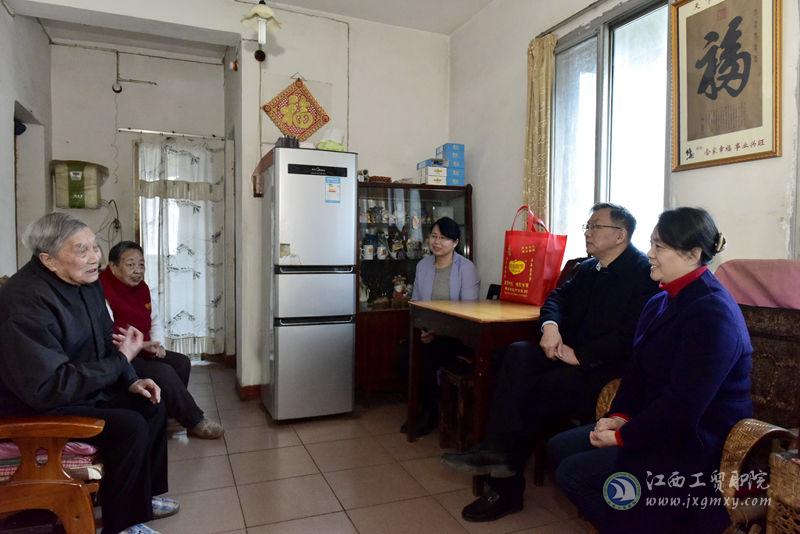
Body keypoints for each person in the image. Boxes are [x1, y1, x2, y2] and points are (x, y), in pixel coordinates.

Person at [441, 203, 659, 521]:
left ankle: (503, 481)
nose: (587, 232)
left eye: (595, 226)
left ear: (619, 235)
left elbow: (631, 335)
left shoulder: (643, 274)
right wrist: (551, 327)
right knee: (516, 353)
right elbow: (556, 299)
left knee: (528, 390)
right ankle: (497, 454)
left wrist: (581, 356)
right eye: (587, 226)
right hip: (563, 355)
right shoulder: (588, 268)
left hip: (603, 372)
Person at [547, 207, 752, 533]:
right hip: (657, 422)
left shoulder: (712, 313)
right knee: (559, 447)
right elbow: (637, 372)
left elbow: (683, 405)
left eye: (659, 246)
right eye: (652, 244)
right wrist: (619, 416)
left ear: (693, 254)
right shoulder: (660, 301)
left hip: (695, 439)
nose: (649, 254)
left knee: (575, 473)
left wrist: (623, 436)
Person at [0, 213, 178, 534]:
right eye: (82, 250)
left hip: (82, 388)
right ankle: (123, 525)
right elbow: (49, 386)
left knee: (151, 402)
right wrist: (121, 361)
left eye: (95, 246)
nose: (95, 257)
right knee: (129, 425)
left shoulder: (87, 281)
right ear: (49, 260)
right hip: (41, 405)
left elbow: (106, 341)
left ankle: (142, 500)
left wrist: (131, 379)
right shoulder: (25, 302)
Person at [100, 241, 223, 439]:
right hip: (119, 356)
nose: (137, 271)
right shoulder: (101, 291)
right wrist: (140, 345)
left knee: (181, 362)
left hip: (142, 348)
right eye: (130, 265)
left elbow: (154, 320)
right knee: (164, 372)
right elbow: (106, 336)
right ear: (113, 267)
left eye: (141, 264)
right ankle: (194, 421)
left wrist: (157, 345)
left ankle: (168, 413)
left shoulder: (142, 288)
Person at [402, 216, 480, 436]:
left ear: (455, 242)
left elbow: (468, 311)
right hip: (428, 330)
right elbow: (416, 303)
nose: (437, 242)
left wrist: (437, 332)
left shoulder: (466, 268)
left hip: (457, 336)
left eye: (444, 238)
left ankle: (430, 413)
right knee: (404, 354)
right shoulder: (423, 265)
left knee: (427, 356)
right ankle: (420, 407)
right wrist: (423, 329)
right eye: (434, 236)